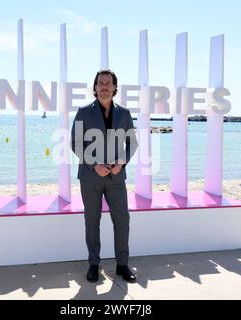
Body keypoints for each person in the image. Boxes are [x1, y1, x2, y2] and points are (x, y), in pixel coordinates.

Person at [71, 69, 138, 283]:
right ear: (95, 87)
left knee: (122, 219)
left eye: (109, 83)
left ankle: (122, 264)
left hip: (117, 178)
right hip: (90, 177)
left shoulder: (125, 114)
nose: (105, 86)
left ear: (115, 88)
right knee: (92, 220)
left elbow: (132, 143)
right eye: (101, 83)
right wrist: (93, 165)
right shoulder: (83, 112)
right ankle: (93, 264)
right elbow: (75, 142)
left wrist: (121, 162)